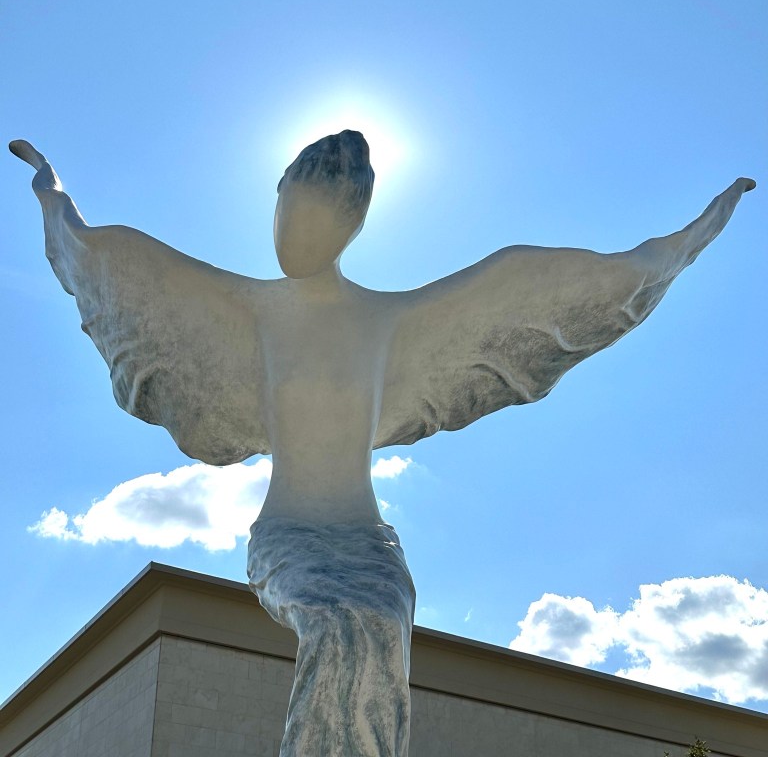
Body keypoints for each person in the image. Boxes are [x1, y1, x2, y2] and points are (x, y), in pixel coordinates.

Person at [10, 133, 755, 757]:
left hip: (368, 548)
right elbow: (91, 251)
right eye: (285, 212)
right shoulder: (241, 310)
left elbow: (598, 281)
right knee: (338, 628)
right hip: (291, 538)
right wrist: (48, 183)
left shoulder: (395, 323)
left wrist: (689, 239)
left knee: (373, 632)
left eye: (312, 222)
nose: (291, 234)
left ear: (348, 228)